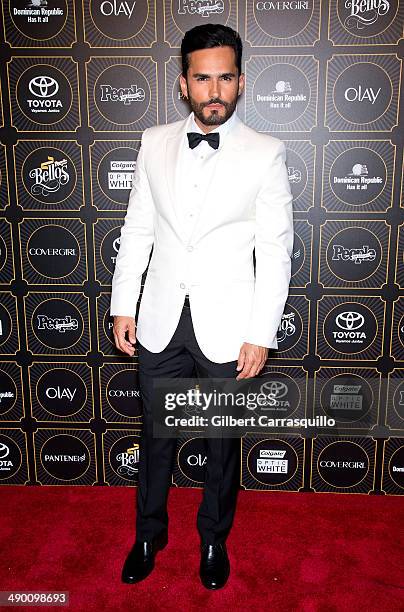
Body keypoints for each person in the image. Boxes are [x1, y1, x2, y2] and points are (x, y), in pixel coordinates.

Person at [110, 23, 294, 590]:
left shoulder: (266, 153)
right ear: (183, 83)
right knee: (156, 437)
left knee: (221, 445)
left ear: (240, 82)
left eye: (225, 78)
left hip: (228, 324)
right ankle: (148, 535)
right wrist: (124, 305)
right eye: (202, 78)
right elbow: (137, 228)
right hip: (161, 318)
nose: (214, 90)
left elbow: (276, 251)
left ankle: (214, 540)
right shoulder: (153, 141)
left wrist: (261, 333)